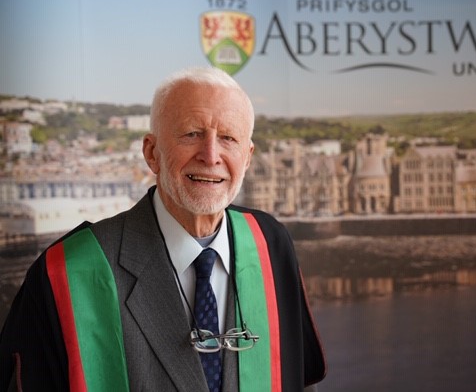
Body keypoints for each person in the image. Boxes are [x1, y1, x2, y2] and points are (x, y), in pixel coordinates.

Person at [0, 67, 326, 391]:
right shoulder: (68, 272)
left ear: (248, 157)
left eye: (228, 138)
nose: (211, 156)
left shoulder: (271, 244)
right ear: (152, 153)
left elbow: (299, 379)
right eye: (191, 134)